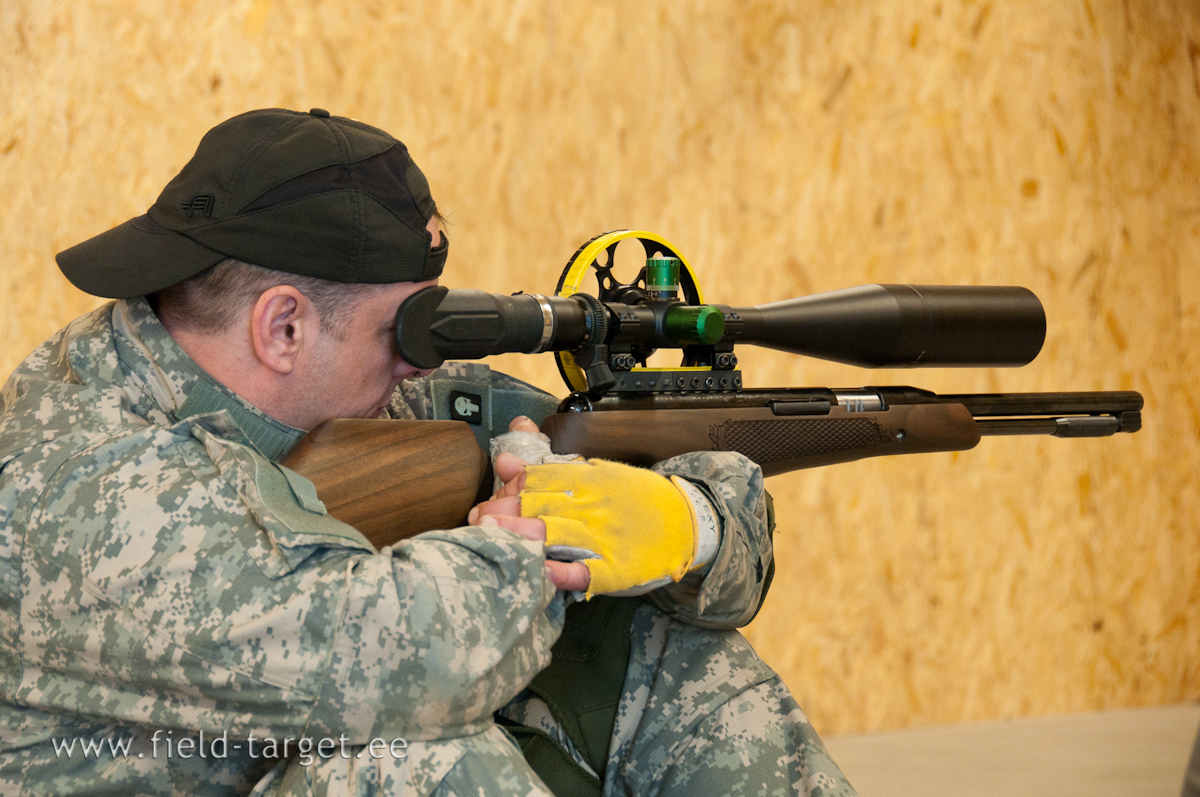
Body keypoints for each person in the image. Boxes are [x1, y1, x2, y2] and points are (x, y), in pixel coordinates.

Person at [0, 108, 855, 796]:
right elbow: (401, 665)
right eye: (401, 329)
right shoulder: (82, 488)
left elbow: (670, 471)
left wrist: (689, 525)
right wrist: (524, 539)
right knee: (401, 764)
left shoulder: (364, 393)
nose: (424, 358)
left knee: (663, 647)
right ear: (283, 326)